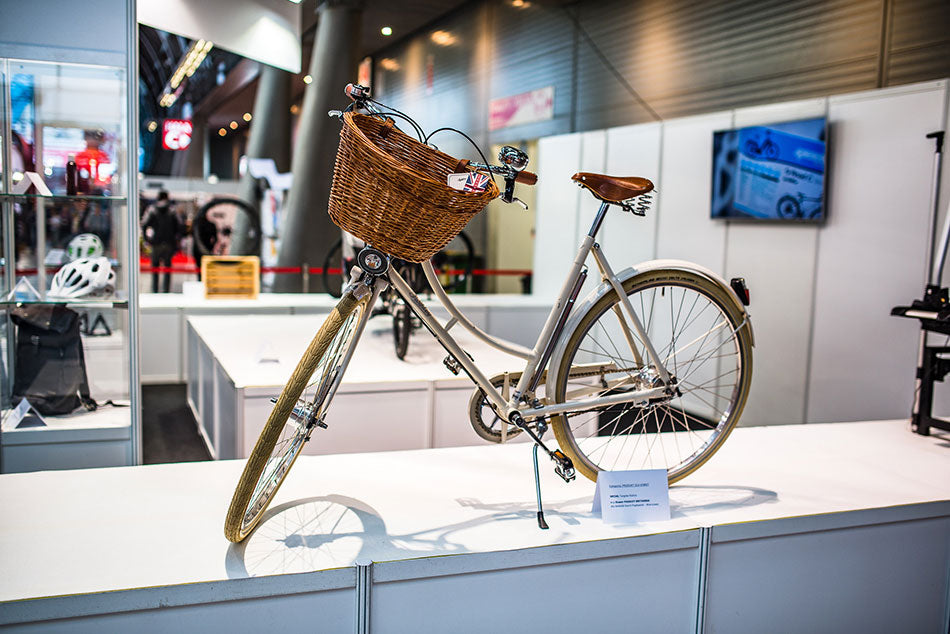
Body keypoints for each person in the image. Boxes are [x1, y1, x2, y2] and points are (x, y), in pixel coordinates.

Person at [141, 191, 180, 293]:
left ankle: (155, 291)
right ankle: (166, 291)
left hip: (156, 243)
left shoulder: (152, 209)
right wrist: (176, 240)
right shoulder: (172, 210)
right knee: (167, 270)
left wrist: (147, 240)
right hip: (168, 244)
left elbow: (144, 224)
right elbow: (180, 226)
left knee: (155, 269)